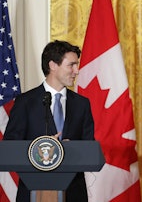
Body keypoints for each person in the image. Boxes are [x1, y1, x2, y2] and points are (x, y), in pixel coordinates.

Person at [4, 40, 94, 202]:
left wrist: (72, 150)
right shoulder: (25, 102)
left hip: (74, 193)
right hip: (33, 192)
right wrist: (40, 148)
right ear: (53, 65)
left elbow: (89, 148)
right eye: (71, 65)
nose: (76, 71)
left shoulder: (82, 104)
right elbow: (9, 148)